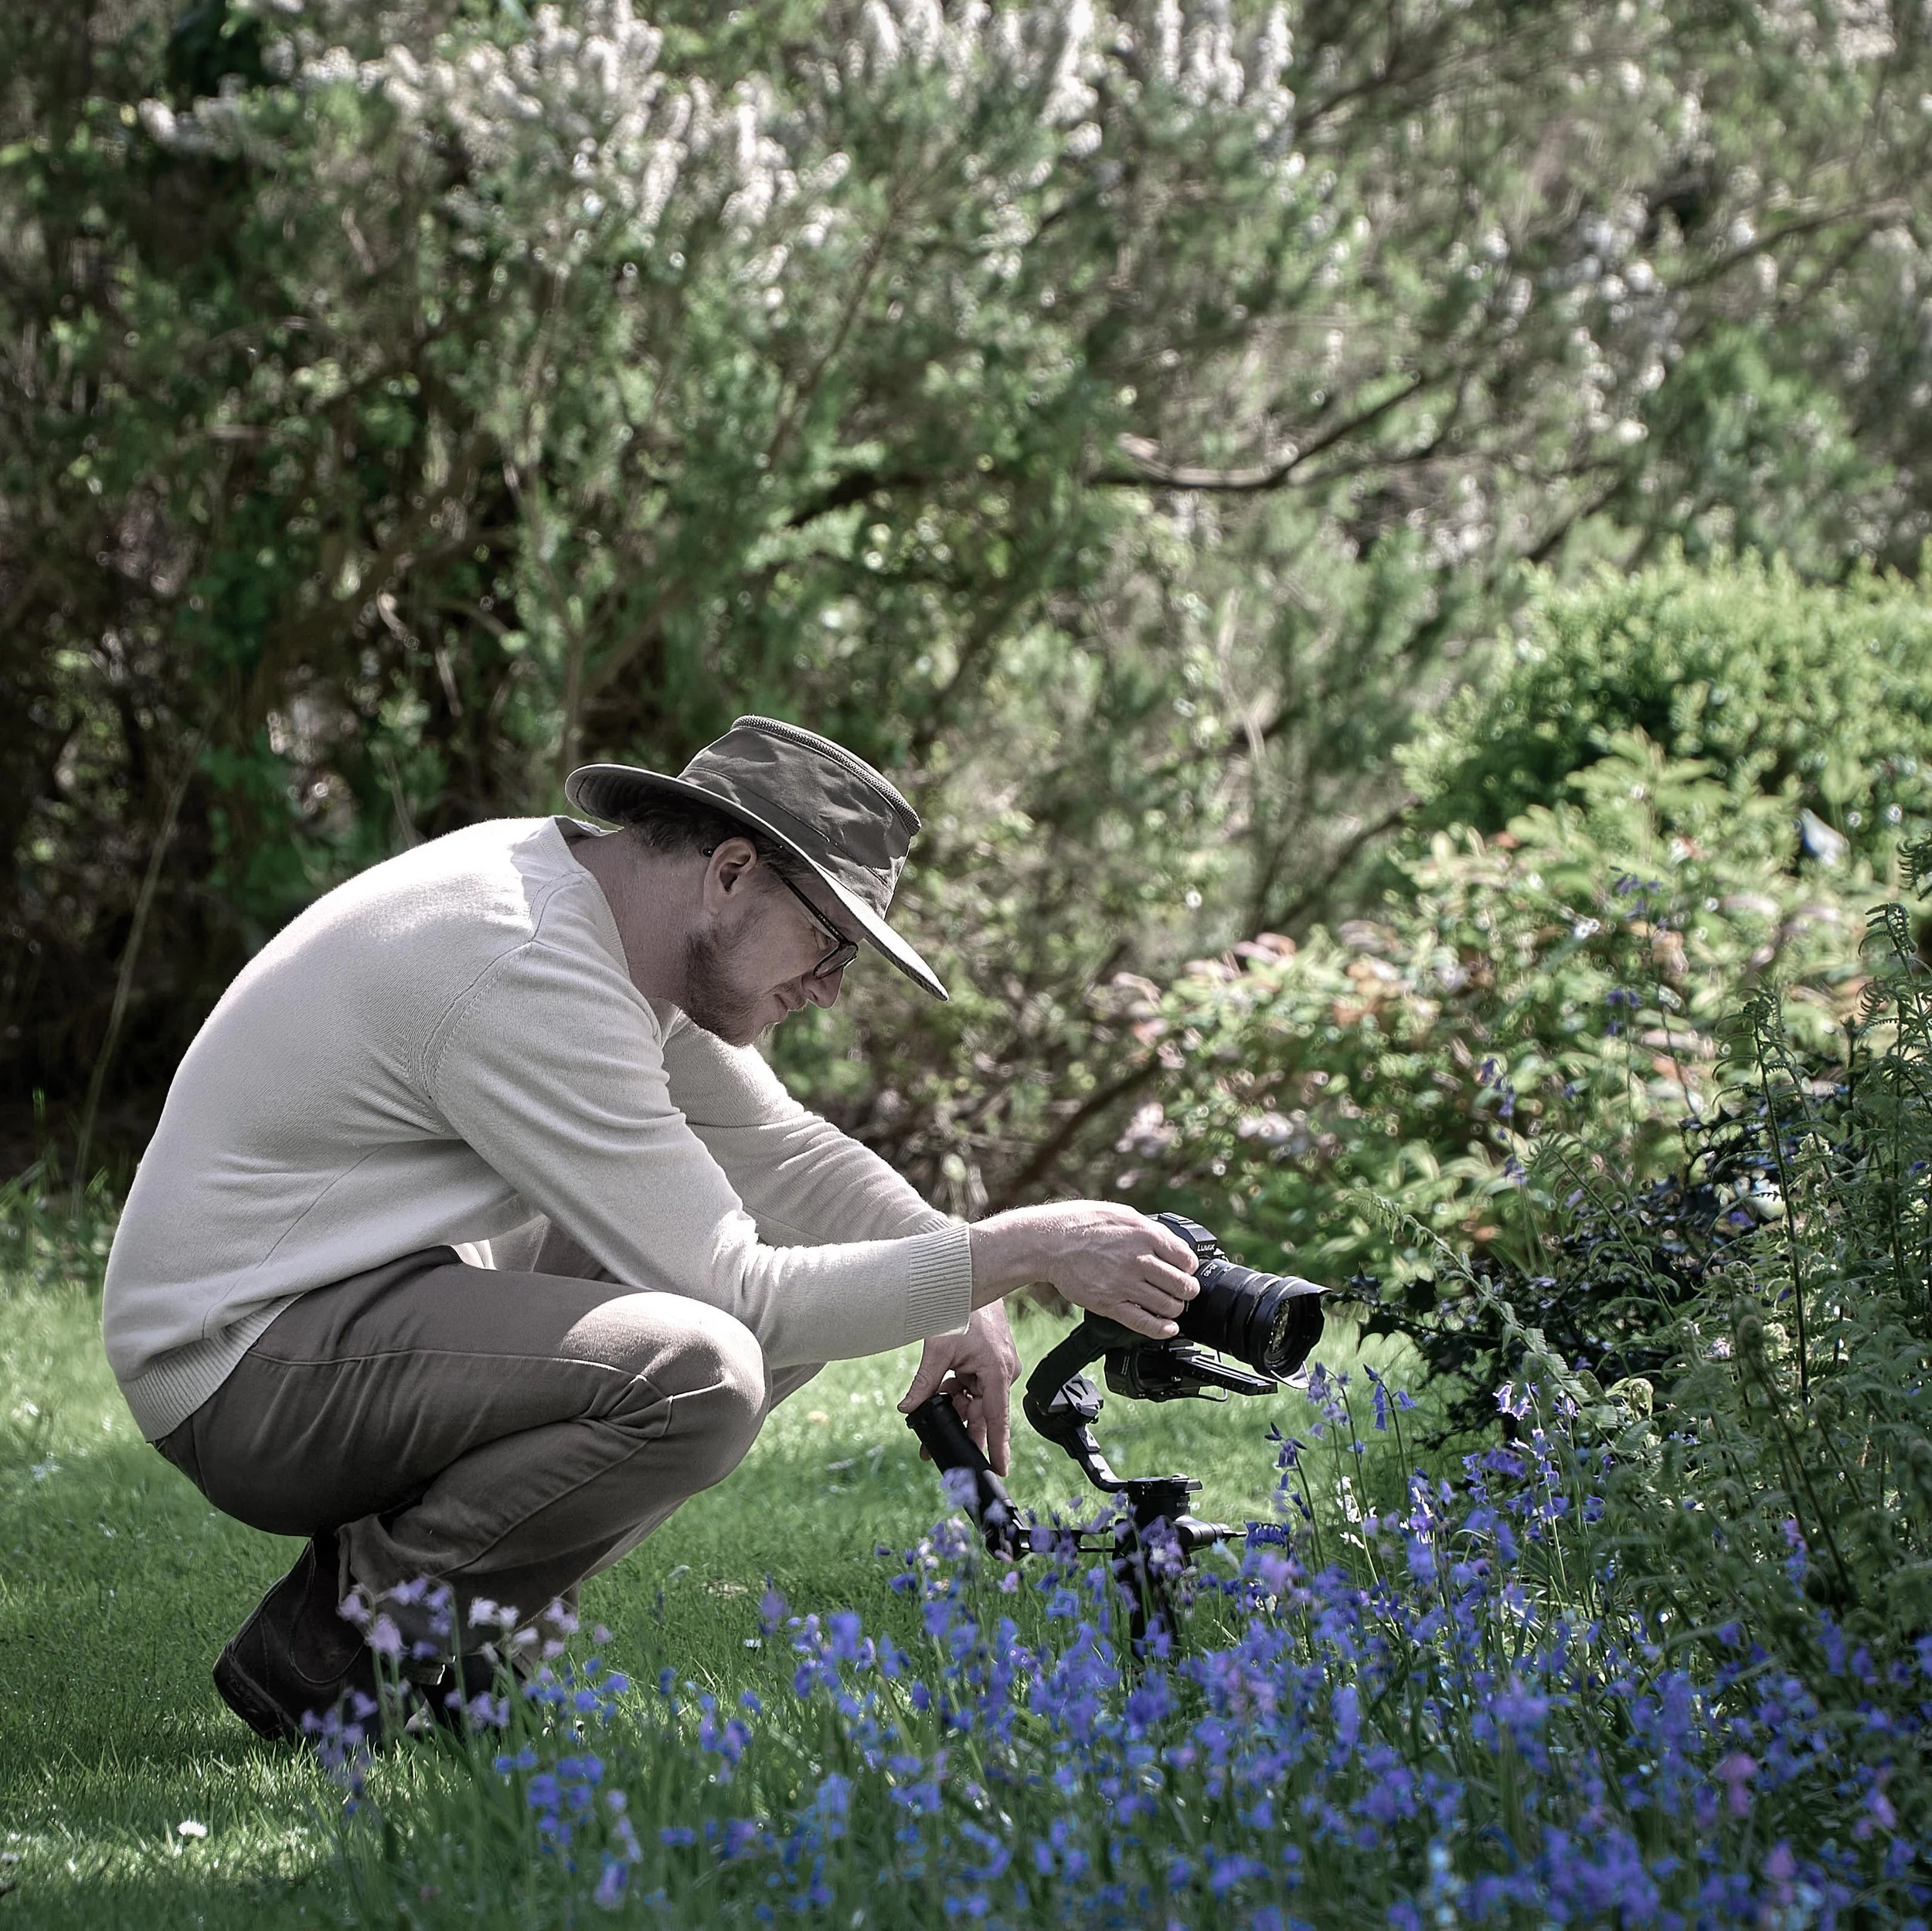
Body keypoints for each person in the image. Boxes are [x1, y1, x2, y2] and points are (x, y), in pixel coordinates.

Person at [100, 715, 1201, 1741]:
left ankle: (485, 1640)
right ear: (729, 871)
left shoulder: (606, 917)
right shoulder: (528, 958)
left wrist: (961, 1280)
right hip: (241, 1361)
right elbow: (741, 1291)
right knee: (704, 1367)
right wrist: (1027, 1245)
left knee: (783, 1304)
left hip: (355, 1310)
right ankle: (349, 1632)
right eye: (826, 941)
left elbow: (788, 1154)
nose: (826, 988)